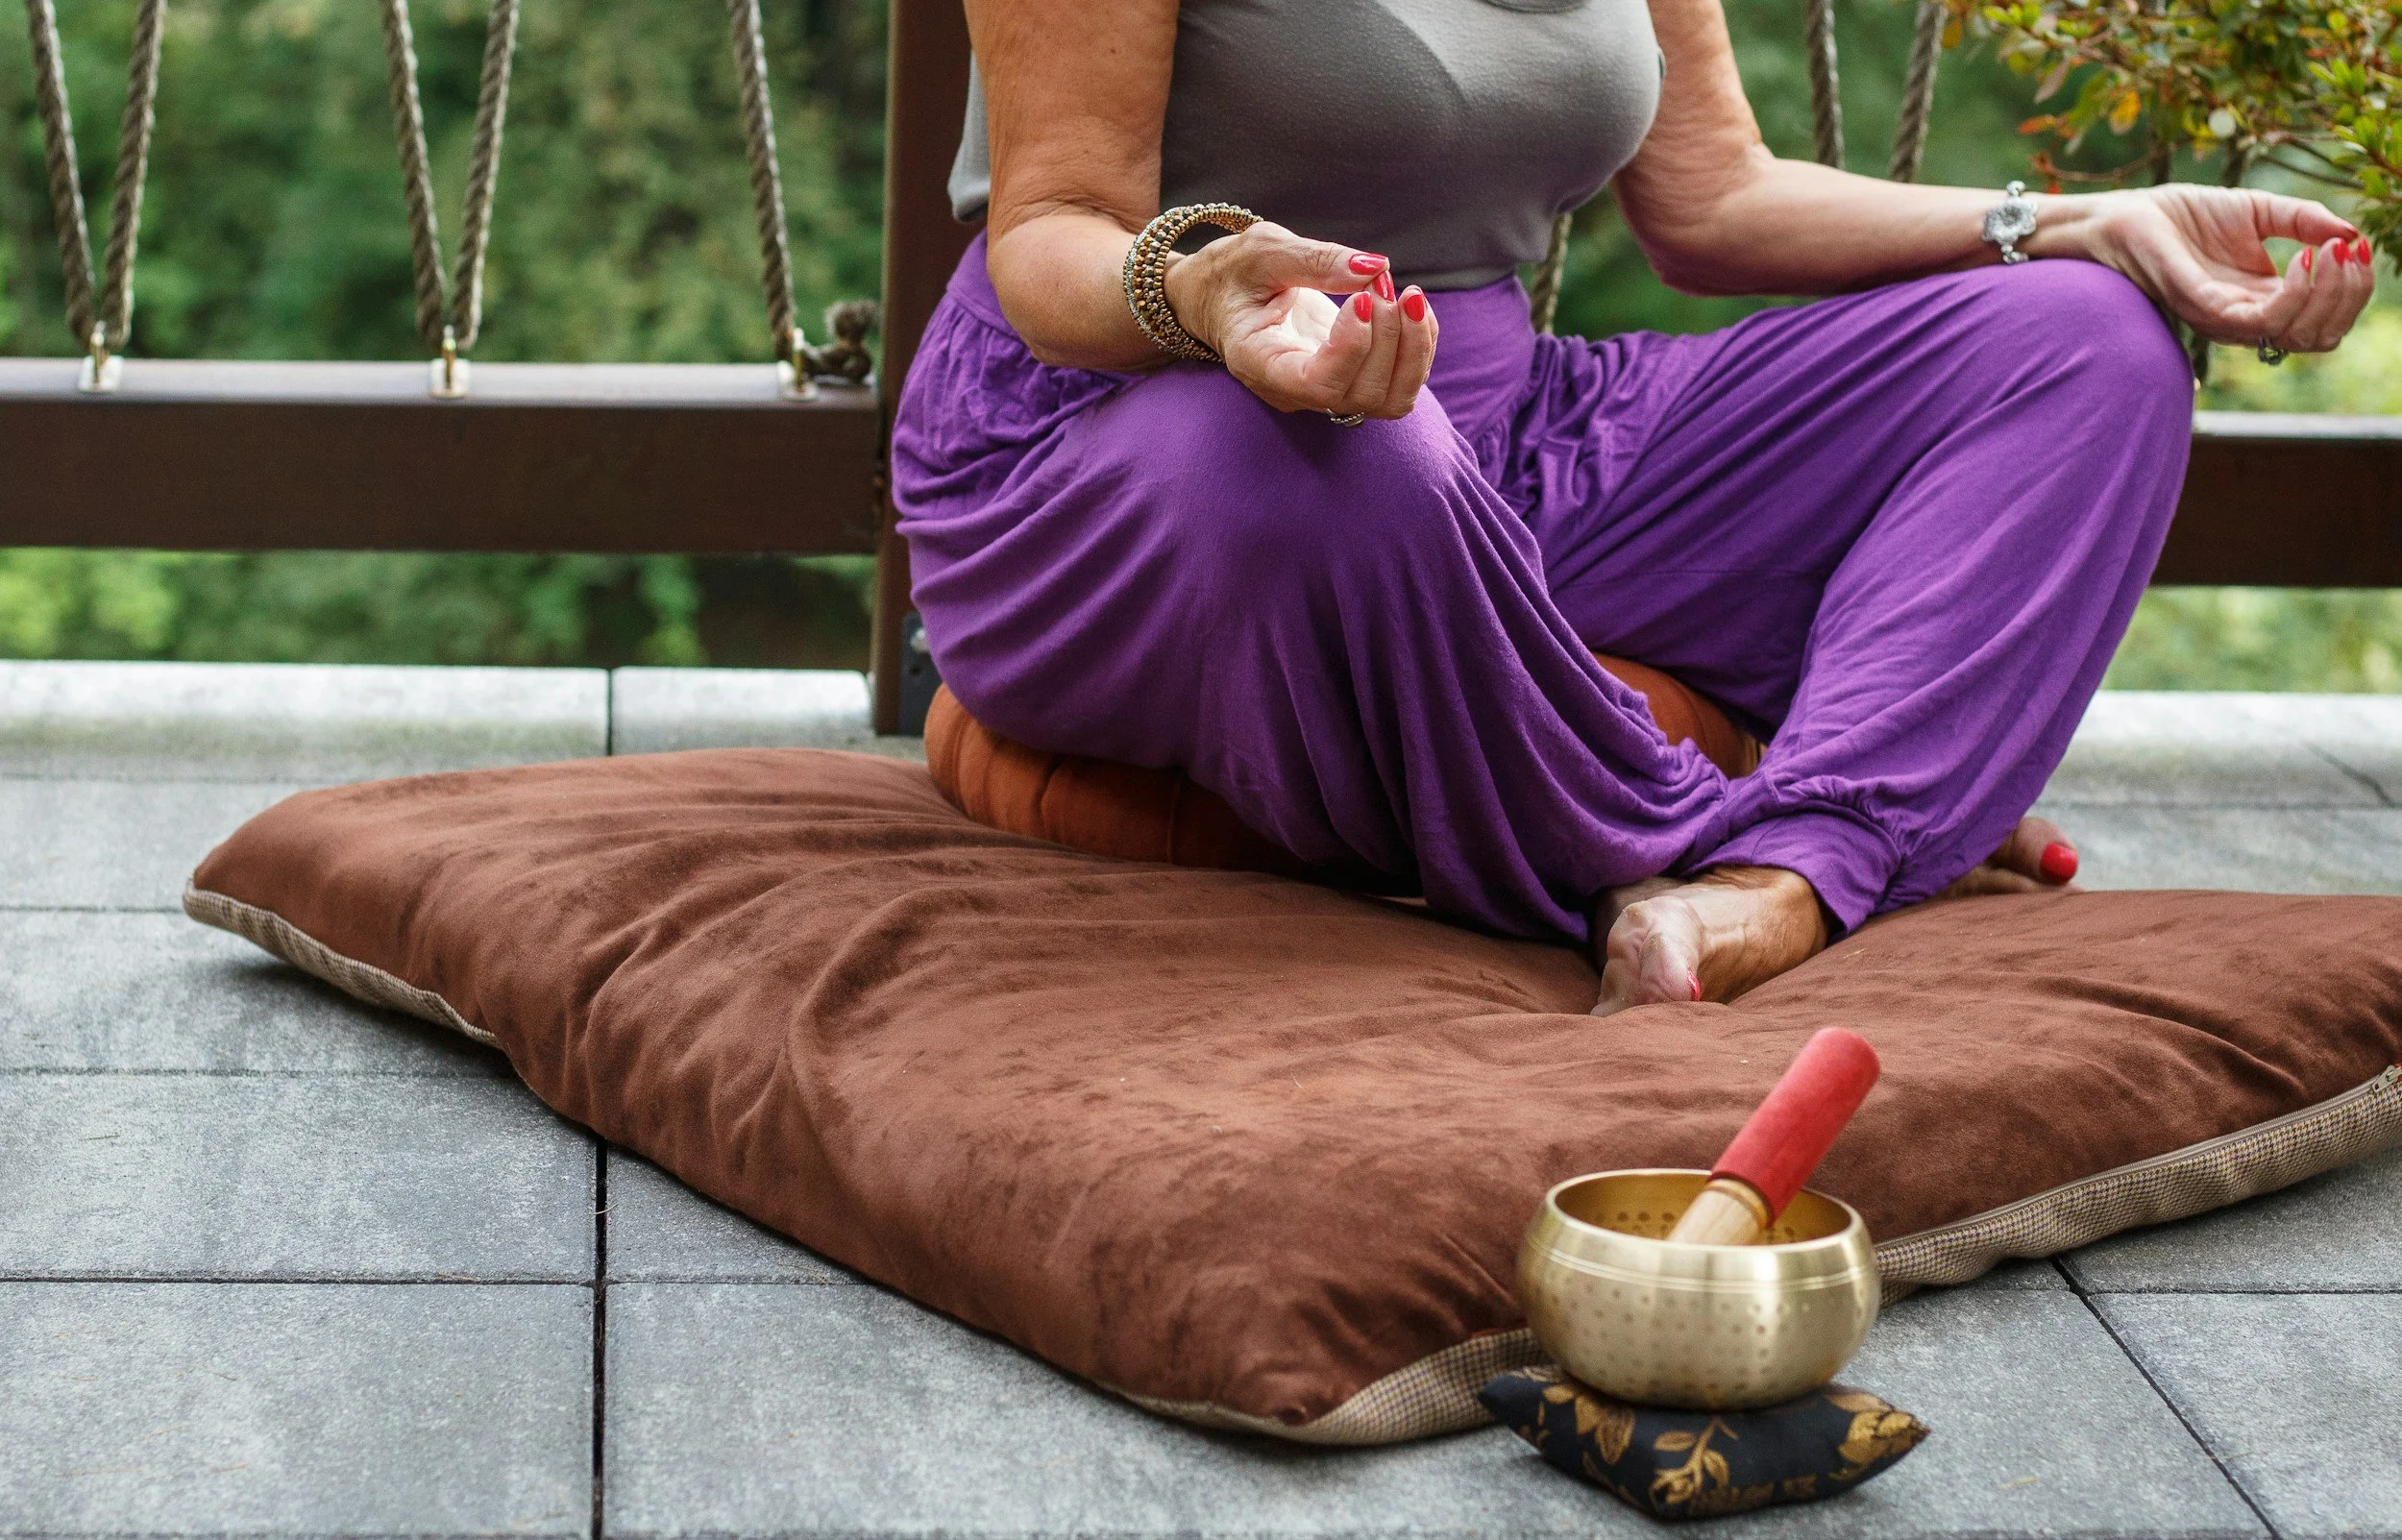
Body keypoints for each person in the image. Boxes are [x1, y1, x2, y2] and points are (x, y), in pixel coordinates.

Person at [891, 0, 2374, 1014]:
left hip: (1503, 437)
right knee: (1353, 459)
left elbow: (1715, 198)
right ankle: (1784, 828)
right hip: (1127, 437)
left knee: (2088, 341)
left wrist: (2073, 222)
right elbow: (1052, 230)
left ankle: (1779, 879)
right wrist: (1211, 297)